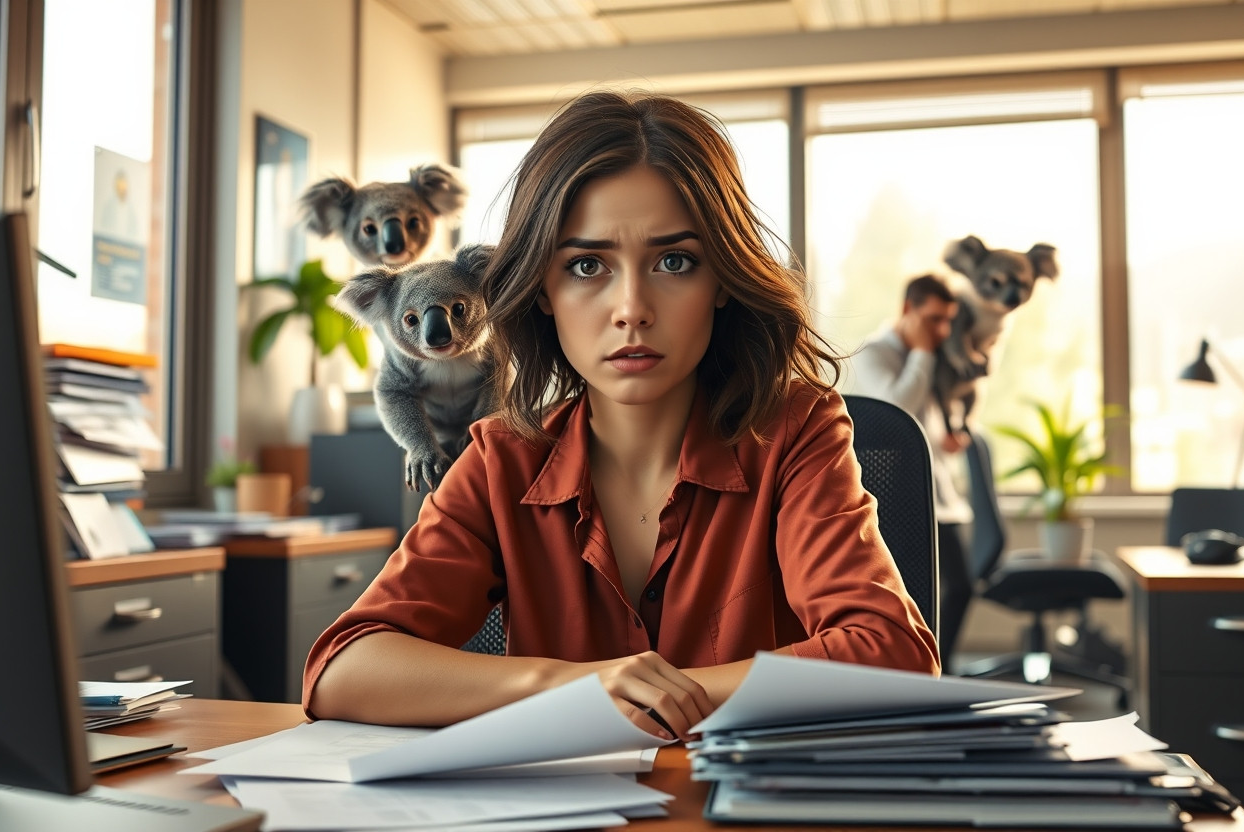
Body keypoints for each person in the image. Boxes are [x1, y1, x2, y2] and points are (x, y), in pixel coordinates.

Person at [304, 90, 939, 741]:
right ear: (542, 291)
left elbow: (895, 659)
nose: (631, 308)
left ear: (721, 278)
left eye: (674, 261)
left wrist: (644, 701)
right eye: (586, 265)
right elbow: (343, 671)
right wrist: (576, 687)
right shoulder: (499, 456)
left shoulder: (799, 431)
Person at [847, 275, 973, 668]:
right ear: (907, 310)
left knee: (957, 587)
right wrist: (922, 354)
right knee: (933, 589)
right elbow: (895, 415)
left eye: (947, 320)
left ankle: (937, 666)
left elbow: (919, 432)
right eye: (934, 319)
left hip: (935, 497)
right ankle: (928, 669)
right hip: (894, 500)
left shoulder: (922, 358)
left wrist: (946, 439)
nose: (942, 331)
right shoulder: (873, 353)